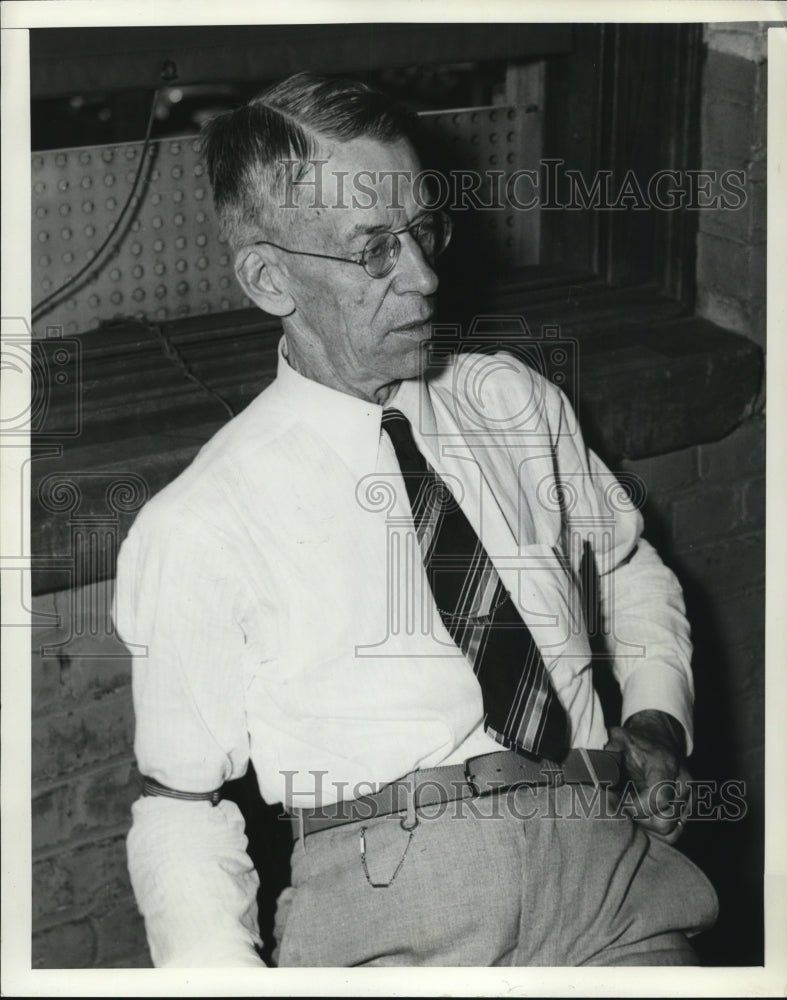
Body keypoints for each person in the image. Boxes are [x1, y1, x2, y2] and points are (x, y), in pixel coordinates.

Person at [112, 72, 718, 968]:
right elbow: (181, 807)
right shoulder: (199, 523)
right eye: (374, 252)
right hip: (392, 910)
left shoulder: (511, 400)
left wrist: (659, 714)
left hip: (607, 880)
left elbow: (624, 563)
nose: (426, 276)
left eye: (424, 230)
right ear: (268, 276)